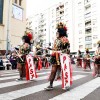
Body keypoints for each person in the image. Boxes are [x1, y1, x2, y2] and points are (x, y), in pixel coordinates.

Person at [45, 22, 70, 90]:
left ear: (61, 33)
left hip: (62, 58)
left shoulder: (65, 39)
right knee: (53, 71)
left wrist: (60, 52)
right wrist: (49, 48)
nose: (56, 34)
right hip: (55, 57)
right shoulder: (56, 40)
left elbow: (68, 50)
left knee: (64, 71)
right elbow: (55, 48)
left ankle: (66, 84)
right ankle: (50, 84)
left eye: (57, 33)